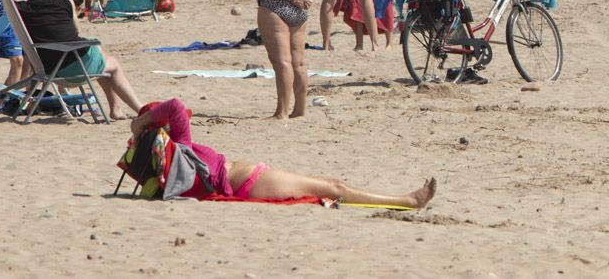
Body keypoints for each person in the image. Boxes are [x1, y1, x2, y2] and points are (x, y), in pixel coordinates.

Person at [130, 98, 436, 206]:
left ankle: (406, 199)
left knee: (333, 185)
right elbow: (177, 107)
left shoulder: (170, 165)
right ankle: (407, 200)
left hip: (251, 180)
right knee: (334, 187)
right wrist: (140, 123)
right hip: (253, 183)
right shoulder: (178, 151)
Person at [17, 0, 143, 120]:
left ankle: (116, 109)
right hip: (74, 68)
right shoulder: (66, 1)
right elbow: (76, 30)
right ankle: (139, 109)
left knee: (99, 57)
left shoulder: (19, 9)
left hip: (47, 70)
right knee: (110, 63)